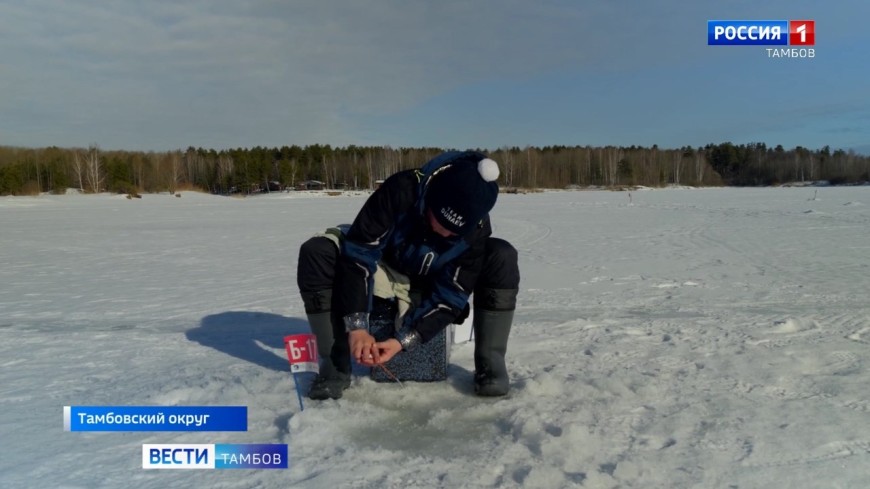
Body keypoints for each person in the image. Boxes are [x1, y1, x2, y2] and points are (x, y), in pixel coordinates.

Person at [296, 150, 520, 400]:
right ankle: (334, 368)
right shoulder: (402, 189)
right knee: (317, 251)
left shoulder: (476, 231)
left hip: (434, 281)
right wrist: (357, 327)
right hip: (385, 270)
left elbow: (451, 297)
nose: (445, 234)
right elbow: (359, 253)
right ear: (432, 197)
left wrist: (402, 342)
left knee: (502, 255)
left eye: (454, 232)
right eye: (441, 222)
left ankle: (491, 366)